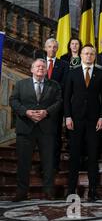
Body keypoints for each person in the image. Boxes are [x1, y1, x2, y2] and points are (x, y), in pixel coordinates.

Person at [9, 58, 62, 201]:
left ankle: (49, 191)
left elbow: (59, 102)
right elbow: (13, 100)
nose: (41, 68)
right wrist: (26, 112)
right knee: (23, 162)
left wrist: (47, 112)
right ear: (31, 69)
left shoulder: (54, 85)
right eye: (38, 66)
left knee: (48, 162)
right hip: (26, 128)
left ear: (46, 70)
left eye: (43, 67)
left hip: (46, 129)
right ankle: (21, 192)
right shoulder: (21, 84)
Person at [64, 44, 102, 201]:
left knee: (93, 155)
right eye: (86, 53)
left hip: (94, 121)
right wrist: (67, 117)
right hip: (75, 121)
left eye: (91, 54)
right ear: (81, 55)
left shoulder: (101, 74)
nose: (88, 56)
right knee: (75, 155)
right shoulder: (72, 73)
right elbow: (66, 98)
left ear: (95, 56)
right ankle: (71, 189)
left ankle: (93, 190)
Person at [42, 37, 69, 172]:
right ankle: (43, 166)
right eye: (50, 46)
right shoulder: (39, 63)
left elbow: (63, 85)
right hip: (39, 106)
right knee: (42, 137)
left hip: (56, 106)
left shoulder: (63, 65)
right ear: (45, 48)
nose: (52, 49)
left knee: (56, 136)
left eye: (54, 47)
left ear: (57, 49)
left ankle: (54, 165)